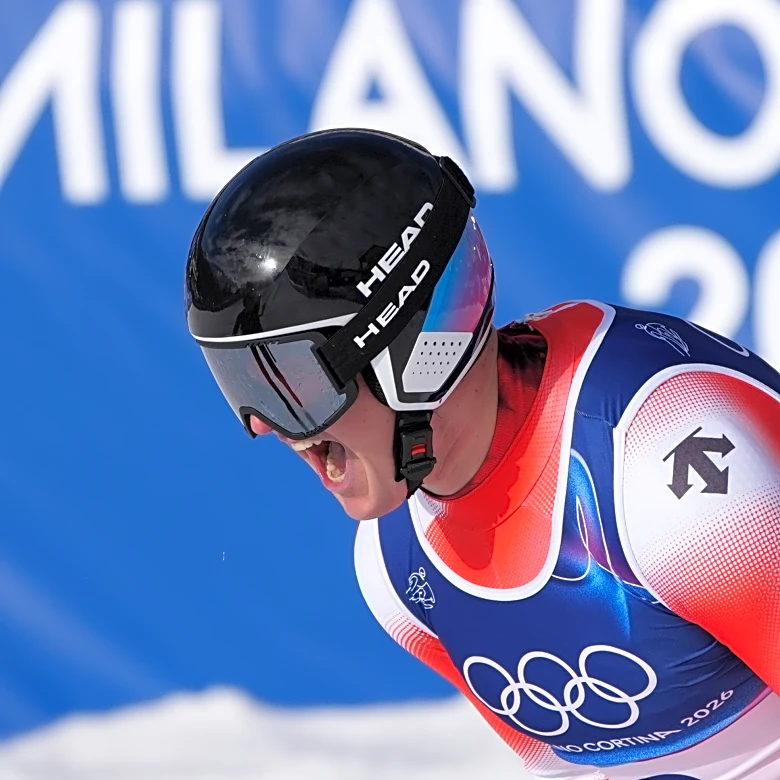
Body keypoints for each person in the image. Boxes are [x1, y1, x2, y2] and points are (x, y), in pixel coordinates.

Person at [185, 128, 780, 780]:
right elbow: (575, 771)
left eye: (293, 385)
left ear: (415, 353)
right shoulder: (394, 568)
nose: (267, 428)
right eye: (244, 383)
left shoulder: (665, 471)